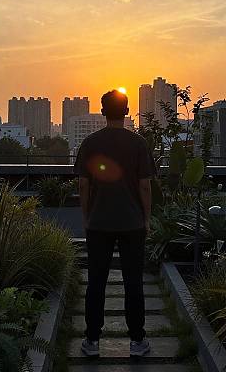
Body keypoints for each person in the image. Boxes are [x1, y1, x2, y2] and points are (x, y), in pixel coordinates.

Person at [74, 89, 155, 357]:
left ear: (102, 111)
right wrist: (146, 218)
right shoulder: (138, 144)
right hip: (132, 224)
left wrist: (87, 216)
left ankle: (92, 341)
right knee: (134, 282)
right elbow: (144, 186)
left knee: (96, 282)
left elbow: (83, 185)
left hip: (98, 223)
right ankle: (137, 341)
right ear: (127, 110)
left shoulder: (90, 143)